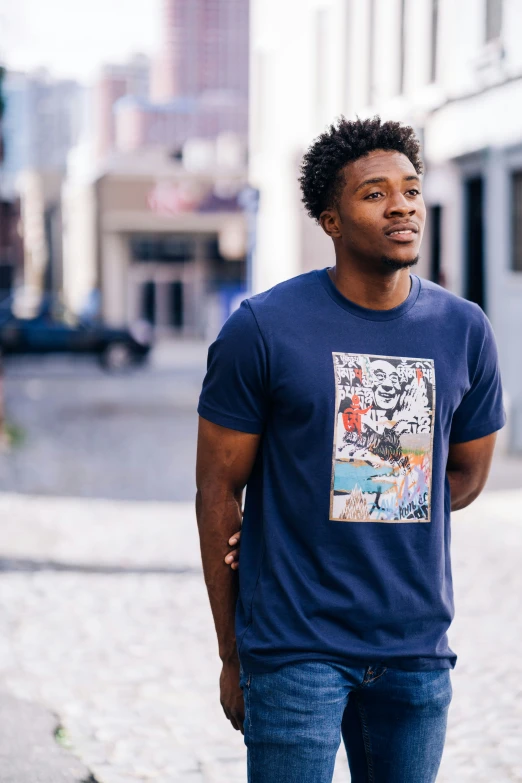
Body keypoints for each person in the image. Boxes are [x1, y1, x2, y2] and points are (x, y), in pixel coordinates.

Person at [195, 116, 505, 782]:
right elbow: (218, 490)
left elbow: (470, 471)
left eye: (412, 190)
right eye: (375, 193)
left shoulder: (463, 328)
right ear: (330, 220)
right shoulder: (263, 328)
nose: (402, 204)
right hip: (294, 645)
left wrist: (380, 497)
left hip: (416, 649)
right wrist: (232, 652)